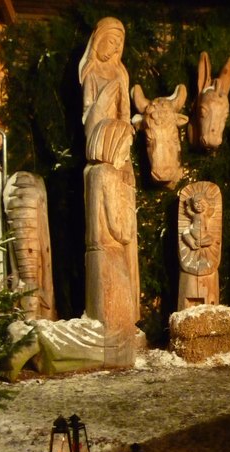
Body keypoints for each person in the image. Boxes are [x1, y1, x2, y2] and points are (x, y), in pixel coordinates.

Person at [79, 17, 140, 365]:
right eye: (110, 41)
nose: (114, 48)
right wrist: (104, 105)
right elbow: (90, 117)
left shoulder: (121, 74)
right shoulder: (91, 75)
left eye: (119, 43)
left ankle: (126, 322)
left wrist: (125, 156)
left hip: (119, 152)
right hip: (101, 144)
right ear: (98, 40)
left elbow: (126, 118)